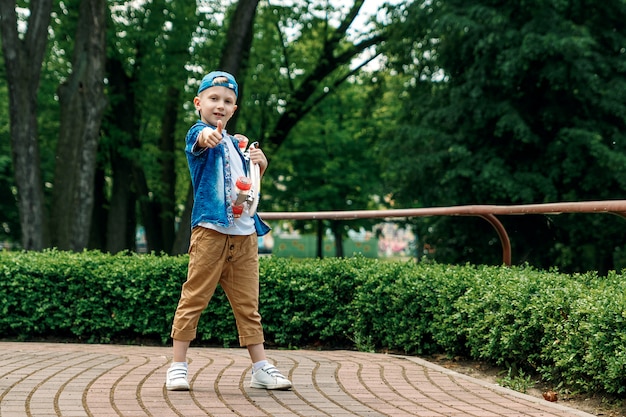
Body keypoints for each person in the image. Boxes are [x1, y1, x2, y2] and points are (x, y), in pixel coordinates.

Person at [165, 71, 292, 391]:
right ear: (199, 103)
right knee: (193, 298)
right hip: (211, 232)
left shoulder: (239, 144)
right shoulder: (200, 133)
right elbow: (199, 141)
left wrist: (259, 165)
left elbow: (248, 185)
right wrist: (207, 136)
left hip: (245, 234)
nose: (220, 105)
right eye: (213, 99)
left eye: (227, 101)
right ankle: (177, 366)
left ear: (234, 108)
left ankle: (260, 367)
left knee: (249, 305)